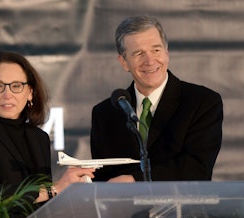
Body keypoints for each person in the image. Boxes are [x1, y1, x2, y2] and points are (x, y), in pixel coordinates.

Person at [0, 51, 94, 218]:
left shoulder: (39, 138)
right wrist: (55, 188)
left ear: (29, 92)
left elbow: (42, 207)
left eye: (16, 86)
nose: (7, 94)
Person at [90, 16, 223, 182]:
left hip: (182, 207)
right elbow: (103, 178)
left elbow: (196, 168)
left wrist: (136, 180)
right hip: (124, 208)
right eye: (139, 53)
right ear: (124, 62)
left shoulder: (202, 102)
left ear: (167, 53)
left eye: (156, 50)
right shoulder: (105, 113)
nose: (150, 61)